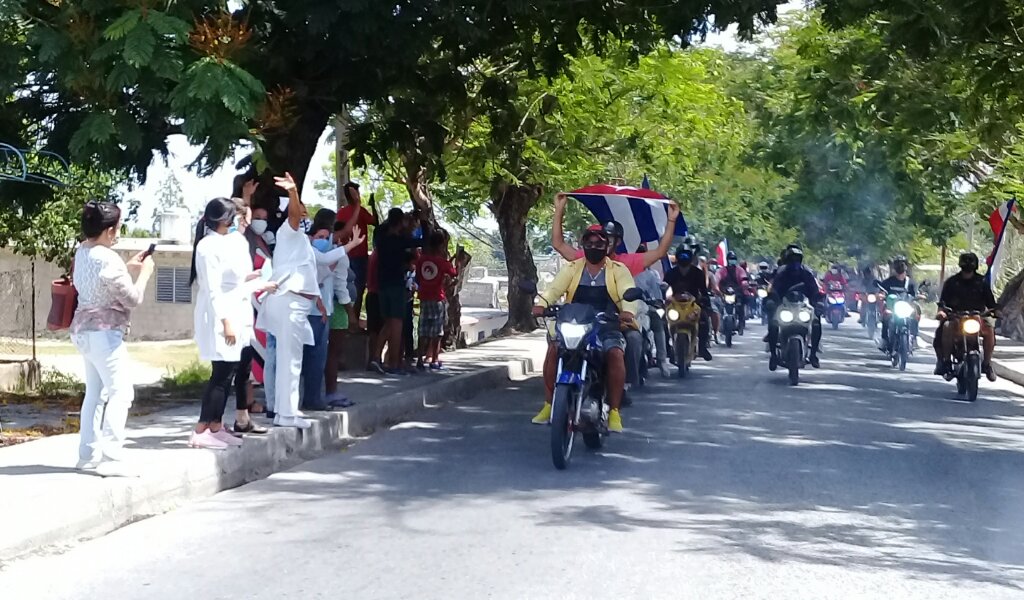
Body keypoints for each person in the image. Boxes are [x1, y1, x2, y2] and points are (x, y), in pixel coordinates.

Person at [71, 201, 154, 474]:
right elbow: (132, 299)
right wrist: (145, 275)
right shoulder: (108, 258)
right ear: (108, 231)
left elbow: (100, 284)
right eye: (118, 227)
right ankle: (111, 456)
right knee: (121, 392)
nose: (118, 232)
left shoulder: (82, 251)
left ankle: (88, 453)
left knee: (95, 393)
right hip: (104, 333)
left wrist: (128, 269)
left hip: (83, 330)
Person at [189, 198, 277, 450]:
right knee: (221, 374)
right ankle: (202, 428)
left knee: (229, 373)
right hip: (221, 315)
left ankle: (216, 426)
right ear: (226, 219)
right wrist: (226, 322)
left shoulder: (225, 242)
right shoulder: (207, 247)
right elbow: (214, 289)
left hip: (234, 312)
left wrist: (258, 280)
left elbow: (234, 282)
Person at [530, 226, 637, 432]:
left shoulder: (619, 269)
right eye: (589, 243)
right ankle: (549, 404)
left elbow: (626, 292)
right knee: (554, 350)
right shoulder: (572, 268)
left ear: (607, 247)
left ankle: (614, 411)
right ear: (583, 245)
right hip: (575, 323)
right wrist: (541, 304)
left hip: (607, 323)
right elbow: (554, 289)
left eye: (599, 244)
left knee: (615, 353)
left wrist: (628, 311)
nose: (594, 247)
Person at [255, 172, 326, 429]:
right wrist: (293, 192)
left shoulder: (302, 243)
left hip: (296, 303)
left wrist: (316, 301)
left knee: (291, 359)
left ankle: (288, 411)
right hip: (289, 303)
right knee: (289, 360)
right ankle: (286, 414)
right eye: (301, 209)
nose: (304, 213)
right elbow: (294, 216)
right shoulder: (289, 231)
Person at [301, 210, 364, 410]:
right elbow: (338, 284)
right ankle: (321, 394)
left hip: (325, 307)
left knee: (321, 356)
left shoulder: (326, 250)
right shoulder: (323, 251)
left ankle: (317, 395)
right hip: (323, 309)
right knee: (323, 355)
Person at [550, 192, 681, 276]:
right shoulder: (583, 258)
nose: (600, 244)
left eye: (607, 240)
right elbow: (558, 244)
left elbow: (660, 252)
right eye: (594, 240)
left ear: (617, 242)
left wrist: (671, 220)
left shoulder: (625, 263)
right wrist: (559, 209)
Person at [934, 252, 998, 380]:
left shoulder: (982, 282)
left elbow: (991, 303)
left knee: (990, 330)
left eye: (971, 263)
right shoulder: (952, 282)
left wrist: (996, 311)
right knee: (946, 327)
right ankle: (946, 361)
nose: (968, 266)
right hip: (956, 316)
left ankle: (987, 363)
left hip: (977, 316)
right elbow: (943, 302)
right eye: (966, 263)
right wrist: (941, 312)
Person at [375, 209, 425, 374]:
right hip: (396, 284)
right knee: (397, 324)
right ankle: (394, 363)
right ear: (400, 222)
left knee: (388, 323)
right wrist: (422, 221)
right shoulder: (400, 240)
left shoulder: (381, 237)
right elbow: (423, 241)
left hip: (382, 283)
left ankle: (376, 357)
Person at [766, 244, 823, 368]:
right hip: (785, 306)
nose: (794, 262)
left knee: (816, 323)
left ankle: (813, 354)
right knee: (773, 325)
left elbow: (814, 290)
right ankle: (774, 356)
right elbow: (774, 289)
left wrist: (818, 301)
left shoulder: (807, 273)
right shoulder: (781, 273)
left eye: (797, 259)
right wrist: (772, 300)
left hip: (803, 306)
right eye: (792, 259)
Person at [335, 182, 377, 332]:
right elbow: (375, 222)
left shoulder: (341, 212)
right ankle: (353, 323)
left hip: (345, 254)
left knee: (345, 288)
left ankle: (349, 321)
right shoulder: (361, 211)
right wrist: (373, 205)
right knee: (358, 289)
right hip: (358, 256)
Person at [664, 242, 714, 361]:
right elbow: (664, 288)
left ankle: (702, 347)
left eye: (686, 255)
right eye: (682, 255)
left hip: (693, 305)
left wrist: (706, 303)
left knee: (704, 320)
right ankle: (667, 349)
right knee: (662, 323)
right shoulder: (671, 273)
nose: (684, 258)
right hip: (674, 305)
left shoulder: (698, 273)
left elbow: (703, 291)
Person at [416, 230, 457, 370]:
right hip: (437, 298)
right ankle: (434, 359)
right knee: (437, 331)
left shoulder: (421, 260)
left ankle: (420, 360)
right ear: (441, 245)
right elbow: (453, 273)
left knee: (423, 329)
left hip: (424, 297)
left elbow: (418, 276)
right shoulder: (442, 262)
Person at [634, 262, 670, 377]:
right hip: (632, 308)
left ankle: (661, 359)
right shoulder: (624, 272)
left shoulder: (652, 274)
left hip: (650, 306)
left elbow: (658, 292)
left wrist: (658, 301)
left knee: (659, 324)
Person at [877, 255, 918, 350]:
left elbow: (915, 294)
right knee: (886, 316)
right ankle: (884, 339)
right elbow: (882, 291)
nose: (901, 267)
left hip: (906, 307)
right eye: (898, 265)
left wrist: (920, 296)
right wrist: (881, 295)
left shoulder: (911, 283)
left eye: (902, 264)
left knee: (916, 313)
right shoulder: (888, 282)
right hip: (892, 308)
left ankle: (915, 338)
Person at [716, 250, 749, 325]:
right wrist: (716, 286)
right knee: (717, 305)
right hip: (724, 292)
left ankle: (741, 322)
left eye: (733, 259)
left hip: (737, 291)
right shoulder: (722, 270)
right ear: (727, 260)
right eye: (731, 259)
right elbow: (717, 278)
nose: (732, 260)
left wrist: (744, 284)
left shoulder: (740, 270)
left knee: (740, 304)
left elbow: (743, 278)